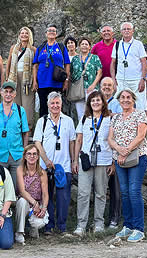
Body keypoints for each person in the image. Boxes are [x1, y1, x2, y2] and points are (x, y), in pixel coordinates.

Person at [108, 89, 147, 243]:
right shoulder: (116, 118)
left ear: (133, 99)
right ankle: (128, 225)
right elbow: (110, 138)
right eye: (123, 97)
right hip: (120, 159)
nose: (125, 100)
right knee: (124, 192)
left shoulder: (140, 114)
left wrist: (126, 151)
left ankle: (139, 228)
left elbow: (141, 135)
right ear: (119, 100)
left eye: (128, 97)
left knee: (134, 191)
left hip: (137, 157)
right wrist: (119, 150)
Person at [32, 92, 76, 234]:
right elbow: (37, 142)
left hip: (63, 165)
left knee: (63, 197)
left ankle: (62, 226)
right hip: (45, 166)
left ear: (61, 104)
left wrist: (74, 160)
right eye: (52, 103)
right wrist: (45, 160)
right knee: (47, 196)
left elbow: (72, 142)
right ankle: (49, 226)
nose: (55, 106)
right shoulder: (42, 121)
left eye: (57, 103)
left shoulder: (68, 121)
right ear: (48, 105)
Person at [73, 91, 113, 235]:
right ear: (89, 103)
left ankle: (99, 223)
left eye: (98, 100)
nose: (95, 103)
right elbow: (79, 140)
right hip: (86, 159)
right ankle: (81, 225)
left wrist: (112, 162)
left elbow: (112, 141)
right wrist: (75, 160)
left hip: (103, 160)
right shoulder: (84, 119)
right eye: (93, 100)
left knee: (101, 193)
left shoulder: (110, 119)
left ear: (103, 102)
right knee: (83, 193)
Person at [0, 80, 29, 184]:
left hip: (16, 156)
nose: (8, 94)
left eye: (11, 92)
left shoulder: (20, 110)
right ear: (1, 92)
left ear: (15, 94)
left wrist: (24, 151)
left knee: (15, 188)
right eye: (6, 91)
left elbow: (25, 132)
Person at [13, 144, 49, 245]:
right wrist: (34, 203)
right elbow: (22, 191)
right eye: (29, 154)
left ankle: (34, 228)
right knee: (22, 202)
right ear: (25, 156)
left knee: (39, 222)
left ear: (38, 156)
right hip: (25, 201)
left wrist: (44, 208)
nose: (32, 156)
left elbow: (45, 194)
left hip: (37, 202)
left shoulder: (42, 172)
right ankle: (19, 232)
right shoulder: (20, 169)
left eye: (34, 154)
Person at [99, 76, 122, 228]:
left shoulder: (118, 104)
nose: (107, 87)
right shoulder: (96, 102)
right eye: (104, 85)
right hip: (100, 153)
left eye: (109, 85)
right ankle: (98, 220)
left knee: (116, 189)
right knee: (99, 190)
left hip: (115, 151)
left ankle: (114, 218)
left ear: (114, 88)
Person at [32, 25, 70, 118]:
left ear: (56, 34)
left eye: (53, 31)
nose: (51, 32)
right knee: (43, 107)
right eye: (49, 31)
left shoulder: (61, 47)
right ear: (46, 34)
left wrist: (66, 81)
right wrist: (34, 81)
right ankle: (44, 128)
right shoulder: (40, 48)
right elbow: (35, 65)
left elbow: (67, 64)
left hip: (57, 82)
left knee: (56, 106)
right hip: (42, 82)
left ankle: (57, 127)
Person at [5, 26, 37, 132]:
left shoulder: (33, 49)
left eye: (26, 33)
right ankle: (15, 127)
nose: (24, 35)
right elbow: (9, 63)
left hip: (27, 78)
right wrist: (7, 77)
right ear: (19, 35)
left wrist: (35, 81)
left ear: (29, 35)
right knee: (15, 102)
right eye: (22, 33)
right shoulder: (13, 48)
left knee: (27, 103)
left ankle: (28, 128)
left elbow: (34, 66)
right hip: (14, 77)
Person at [110, 22, 147, 104]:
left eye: (128, 29)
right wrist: (113, 79)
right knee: (120, 105)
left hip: (136, 80)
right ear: (121, 31)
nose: (126, 31)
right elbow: (113, 63)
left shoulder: (138, 44)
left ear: (132, 31)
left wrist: (143, 79)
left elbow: (144, 62)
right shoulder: (117, 45)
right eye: (124, 29)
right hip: (121, 80)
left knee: (141, 106)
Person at [69, 37, 103, 120]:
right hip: (79, 89)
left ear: (89, 47)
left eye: (86, 44)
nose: (84, 46)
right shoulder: (75, 59)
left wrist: (93, 85)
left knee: (93, 110)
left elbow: (99, 72)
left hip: (91, 87)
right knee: (80, 113)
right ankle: (82, 130)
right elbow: (71, 73)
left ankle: (93, 129)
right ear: (79, 47)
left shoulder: (95, 58)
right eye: (82, 44)